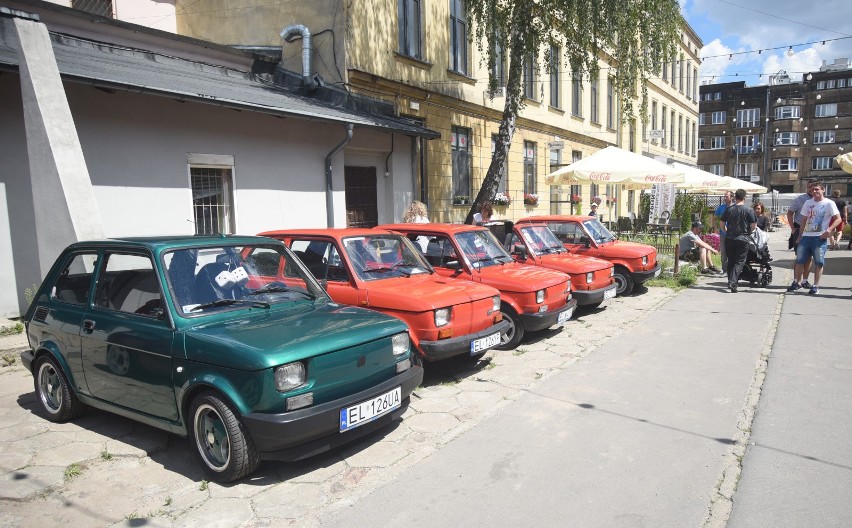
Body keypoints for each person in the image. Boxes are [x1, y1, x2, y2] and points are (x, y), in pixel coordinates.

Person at [788, 182, 840, 295]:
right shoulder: (808, 202)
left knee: (819, 262)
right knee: (799, 260)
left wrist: (828, 231)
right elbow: (803, 220)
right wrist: (800, 235)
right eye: (813, 190)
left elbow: (838, 219)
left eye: (817, 189)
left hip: (819, 237)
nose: (815, 192)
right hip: (806, 236)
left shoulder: (829, 203)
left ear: (823, 190)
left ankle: (816, 285)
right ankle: (797, 282)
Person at [720, 189, 757, 293]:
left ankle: (731, 281)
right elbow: (753, 226)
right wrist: (749, 232)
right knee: (740, 261)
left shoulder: (729, 209)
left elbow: (722, 224)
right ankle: (732, 282)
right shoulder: (749, 210)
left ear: (735, 197)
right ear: (745, 198)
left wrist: (726, 232)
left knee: (731, 260)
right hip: (743, 238)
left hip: (730, 238)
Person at [786, 179, 819, 288]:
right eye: (809, 187)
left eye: (813, 187)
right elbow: (790, 213)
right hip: (799, 228)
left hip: (813, 231)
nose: (811, 189)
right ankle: (796, 280)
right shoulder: (800, 199)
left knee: (809, 257)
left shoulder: (819, 200)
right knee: (799, 257)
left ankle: (805, 280)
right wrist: (792, 228)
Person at [713, 191, 732, 273]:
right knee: (723, 251)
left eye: (726, 196)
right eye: (724, 196)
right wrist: (716, 228)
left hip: (733, 233)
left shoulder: (735, 207)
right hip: (723, 233)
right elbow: (714, 218)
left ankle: (731, 268)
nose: (725, 198)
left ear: (732, 197)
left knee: (731, 251)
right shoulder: (721, 207)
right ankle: (724, 269)